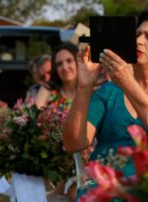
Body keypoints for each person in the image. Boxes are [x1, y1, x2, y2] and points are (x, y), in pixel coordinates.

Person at [63, 10, 148, 165]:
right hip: (102, 183)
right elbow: (73, 144)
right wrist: (84, 87)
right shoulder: (109, 91)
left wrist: (128, 83)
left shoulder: (122, 83)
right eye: (137, 35)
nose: (140, 41)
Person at [35, 43, 78, 109]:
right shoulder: (47, 90)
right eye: (59, 64)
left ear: (78, 62)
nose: (64, 67)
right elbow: (35, 115)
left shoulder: (91, 91)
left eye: (69, 61)